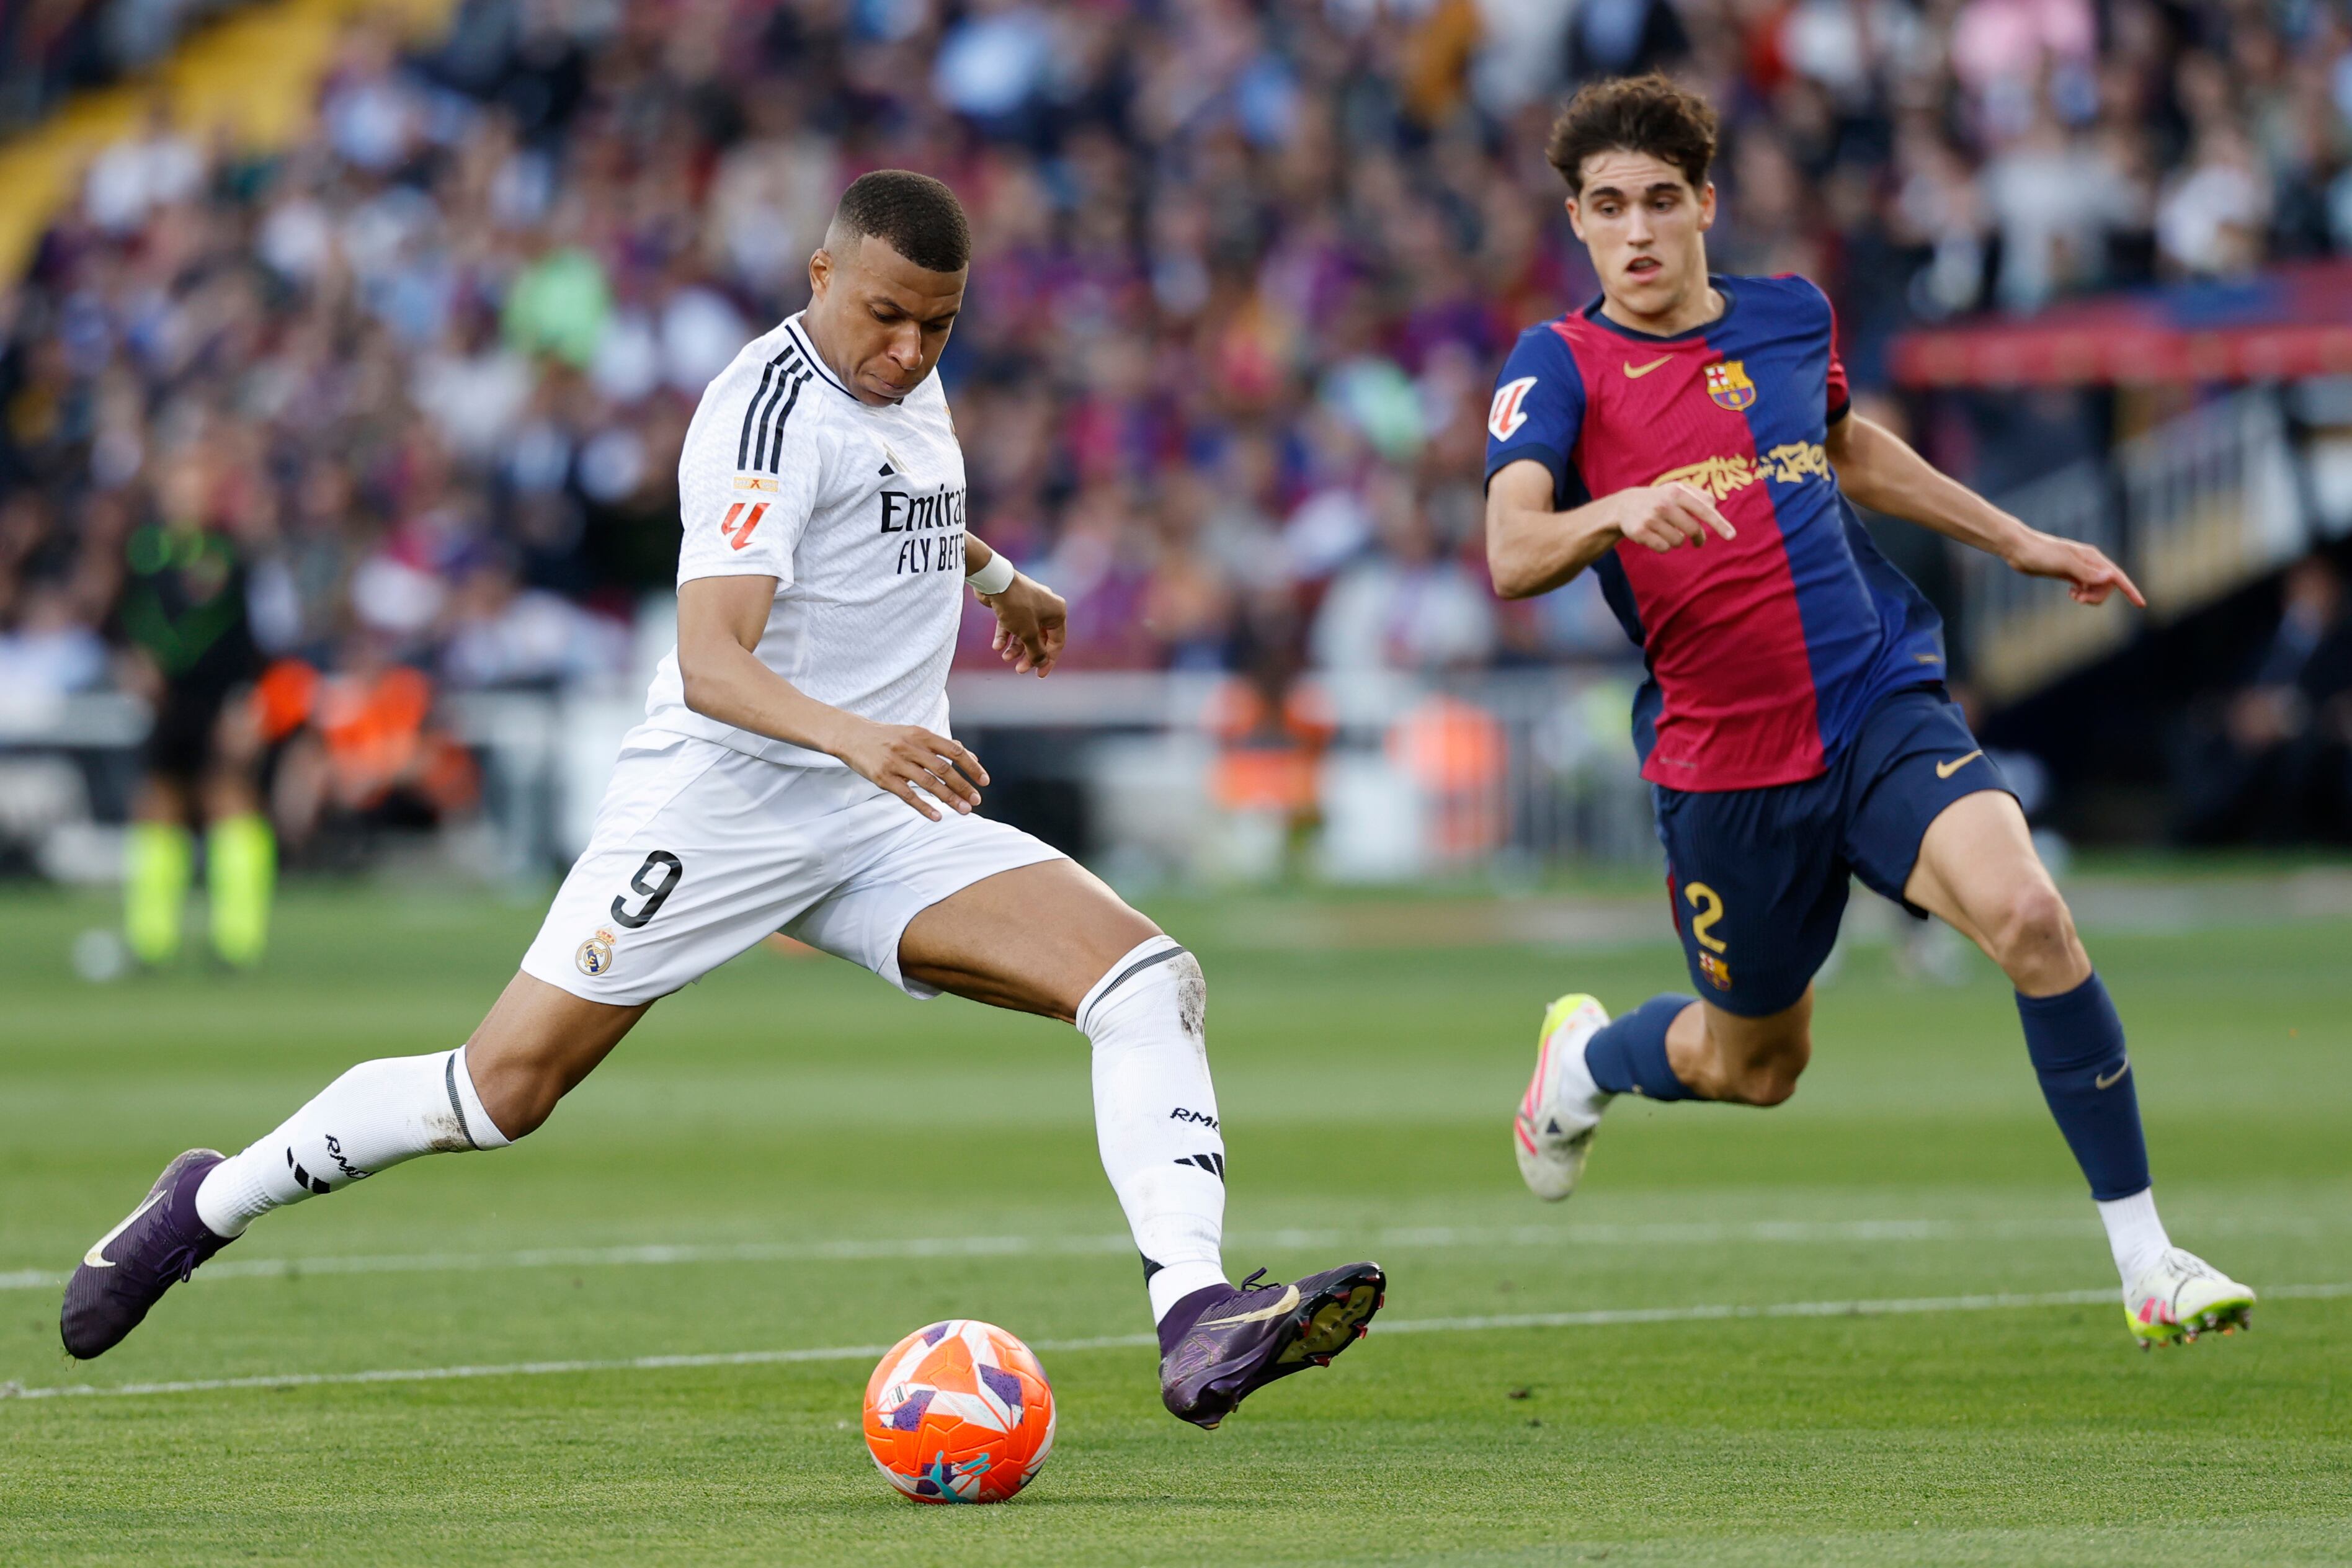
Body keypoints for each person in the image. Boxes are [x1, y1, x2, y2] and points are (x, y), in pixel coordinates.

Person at [61, 172, 1384, 1427]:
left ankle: (1195, 1312)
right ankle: (207, 1201)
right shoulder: (761, 414)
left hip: (881, 808)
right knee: (498, 1091)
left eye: (938, 325)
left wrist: (997, 579)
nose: (911, 350)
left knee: (1147, 980)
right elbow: (712, 661)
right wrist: (856, 737)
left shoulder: (904, 375)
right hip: (726, 805)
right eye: (887, 316)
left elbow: (891, 500)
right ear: (821, 274)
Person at [1486, 76, 2251, 1348]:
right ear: (1576, 221)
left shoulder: (1791, 315)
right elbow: (1512, 551)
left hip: (1874, 702)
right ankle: (1585, 1063)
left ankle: (2147, 1259)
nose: (1637, 230)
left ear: (1705, 204)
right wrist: (1612, 510)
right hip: (1726, 766)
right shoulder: (1557, 366)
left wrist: (2015, 538)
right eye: (1608, 206)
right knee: (1755, 1067)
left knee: (2030, 916)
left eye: (1661, 200)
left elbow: (1846, 446)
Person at [115, 452, 275, 969]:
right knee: (159, 805)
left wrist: (244, 703)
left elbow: (249, 639)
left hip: (218, 699)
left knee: (229, 802)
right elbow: (126, 621)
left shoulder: (231, 555)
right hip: (167, 704)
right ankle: (151, 940)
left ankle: (238, 941)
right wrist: (135, 662)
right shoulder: (144, 553)